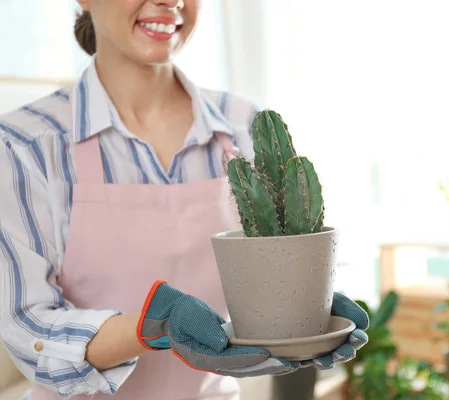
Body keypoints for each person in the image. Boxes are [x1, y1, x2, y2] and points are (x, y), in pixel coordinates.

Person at [0, 1, 369, 399]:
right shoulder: (25, 145)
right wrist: (152, 327)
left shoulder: (243, 125)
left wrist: (306, 312)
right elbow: (29, 332)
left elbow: (268, 280)